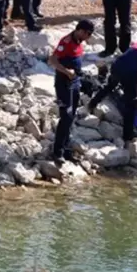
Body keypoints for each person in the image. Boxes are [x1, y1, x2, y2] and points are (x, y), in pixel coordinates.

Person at [87, 36, 137, 143]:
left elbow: (133, 62)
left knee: (110, 86)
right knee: (131, 102)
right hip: (129, 72)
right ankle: (128, 135)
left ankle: (91, 104)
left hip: (117, 66)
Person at [47, 20, 95, 165]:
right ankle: (58, 152)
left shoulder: (79, 41)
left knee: (71, 115)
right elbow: (53, 60)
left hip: (75, 83)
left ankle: (67, 150)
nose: (89, 37)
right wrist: (67, 72)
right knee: (66, 116)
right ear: (80, 30)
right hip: (64, 84)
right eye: (88, 33)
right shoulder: (66, 42)